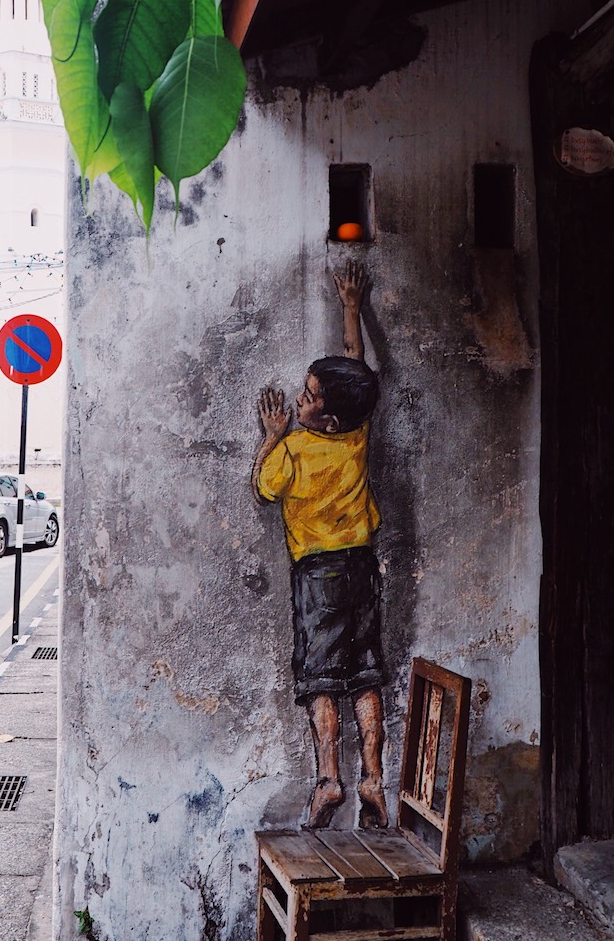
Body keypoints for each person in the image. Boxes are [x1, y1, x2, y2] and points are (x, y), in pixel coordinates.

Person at [251, 260, 388, 830]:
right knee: (367, 672)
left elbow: (263, 487)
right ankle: (375, 780)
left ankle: (330, 778)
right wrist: (350, 305)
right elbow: (356, 368)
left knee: (321, 678)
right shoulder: (355, 433)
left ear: (324, 418)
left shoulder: (297, 449)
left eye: (308, 397)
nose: (301, 400)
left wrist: (272, 437)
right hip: (363, 566)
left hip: (319, 575)